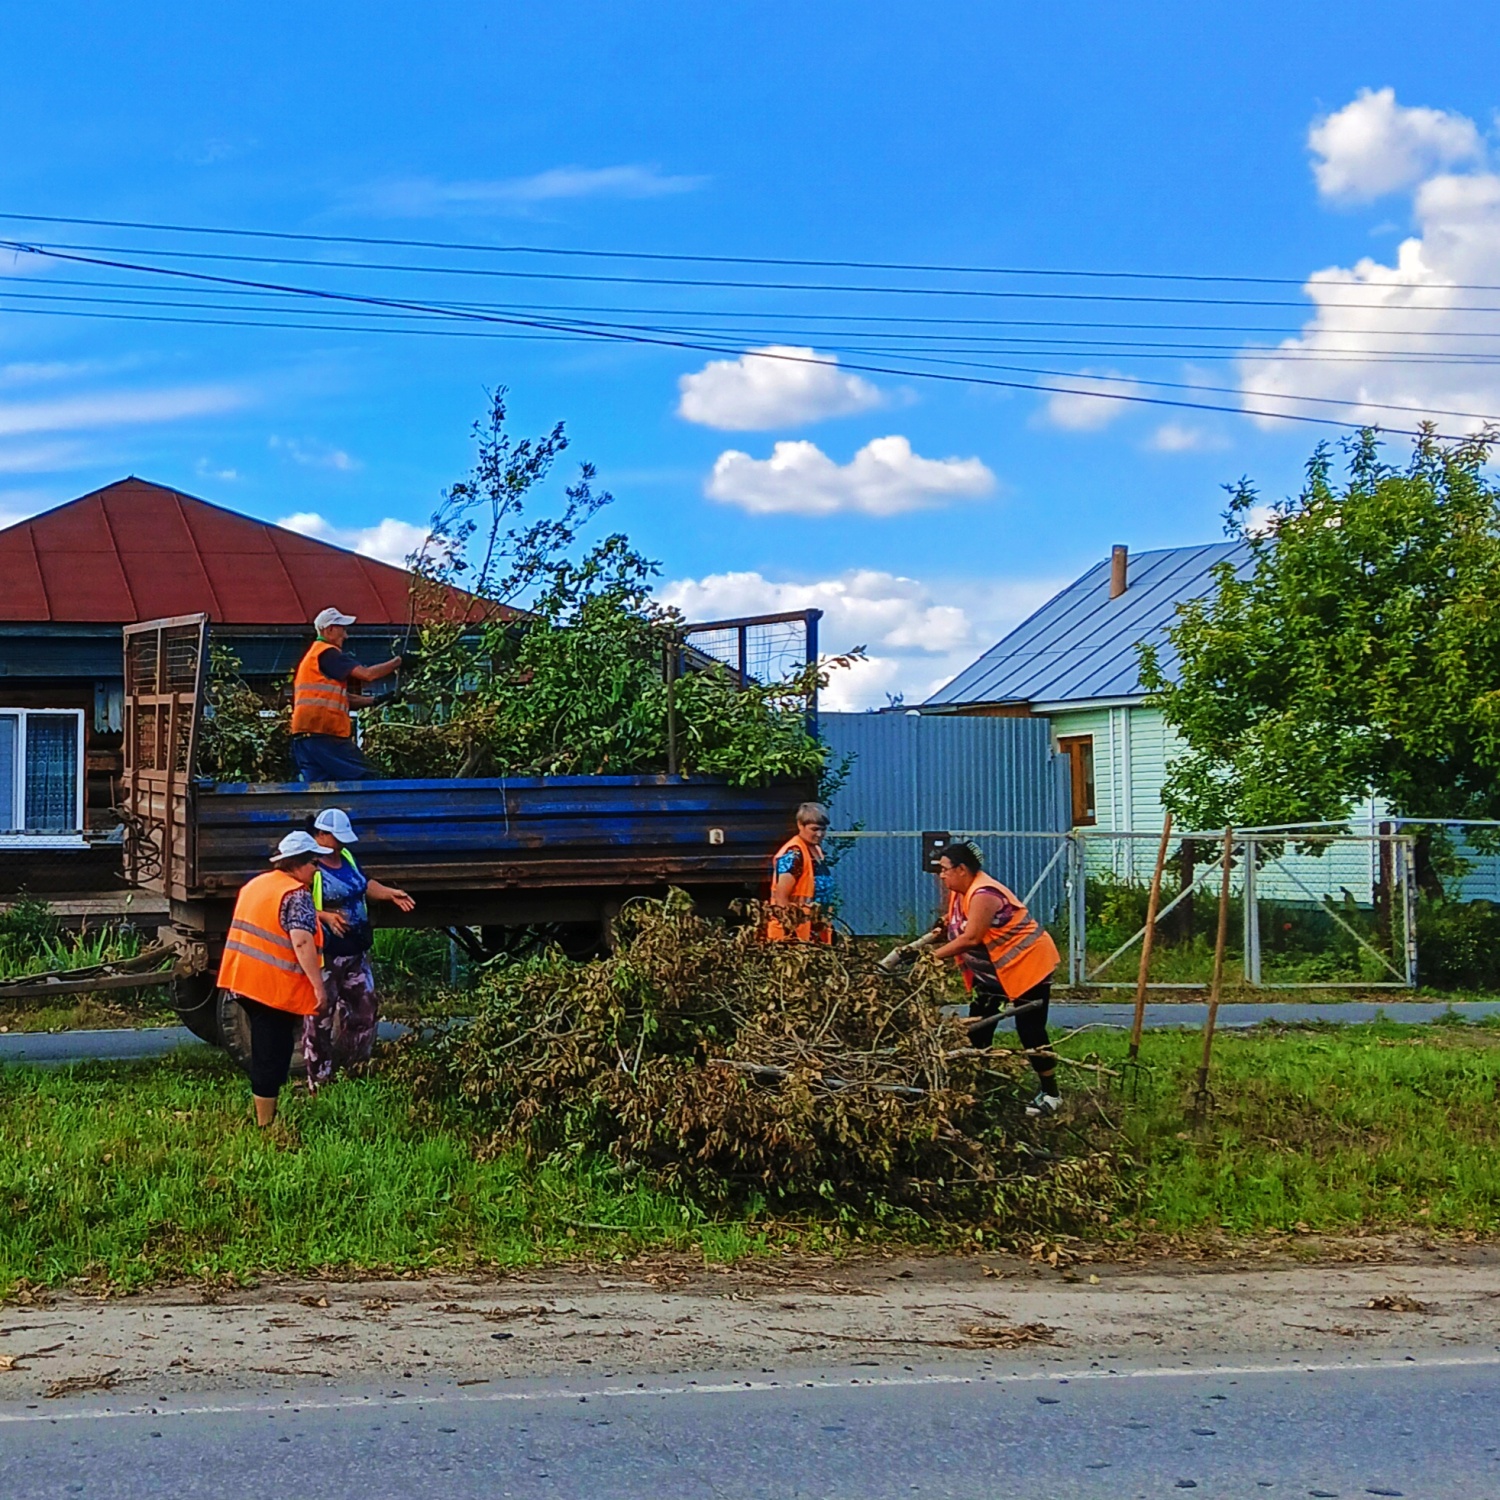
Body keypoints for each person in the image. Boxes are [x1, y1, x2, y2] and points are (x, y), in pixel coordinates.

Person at [930, 841, 1063, 1116]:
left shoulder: (984, 893)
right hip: (992, 975)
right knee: (978, 1027)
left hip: (1028, 966)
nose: (940, 875)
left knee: (1030, 1031)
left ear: (962, 869)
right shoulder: (960, 891)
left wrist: (931, 957)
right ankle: (978, 1085)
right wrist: (943, 927)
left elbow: (972, 937)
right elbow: (957, 920)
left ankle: (1051, 1094)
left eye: (944, 869)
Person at [216, 830, 328, 1128]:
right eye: (314, 863)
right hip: (272, 987)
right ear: (297, 864)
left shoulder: (257, 884)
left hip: (242, 980)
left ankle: (267, 1115)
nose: (317, 869)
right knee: (271, 1053)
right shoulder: (296, 894)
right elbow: (302, 942)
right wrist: (319, 986)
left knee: (270, 1049)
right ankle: (265, 1124)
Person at [303, 807, 416, 1089]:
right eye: (335, 838)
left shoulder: (347, 858)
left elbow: (363, 885)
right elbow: (294, 905)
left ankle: (352, 1069)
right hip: (326, 955)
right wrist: (325, 916)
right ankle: (319, 1078)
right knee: (321, 1018)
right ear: (320, 834)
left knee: (364, 1010)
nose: (340, 844)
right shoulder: (309, 866)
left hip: (356, 950)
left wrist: (389, 893)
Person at [290, 607, 402, 783]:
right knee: (367, 779)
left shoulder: (311, 657)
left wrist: (377, 700)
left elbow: (341, 698)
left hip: (304, 739)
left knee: (320, 789)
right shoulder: (328, 653)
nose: (346, 636)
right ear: (330, 630)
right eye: (343, 629)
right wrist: (399, 662)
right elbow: (368, 675)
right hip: (325, 734)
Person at [767, 801, 834, 943]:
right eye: (814, 829)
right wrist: (789, 931)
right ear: (800, 825)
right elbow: (781, 897)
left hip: (814, 927)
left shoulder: (816, 851)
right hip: (795, 931)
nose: (820, 834)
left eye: (823, 829)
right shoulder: (794, 854)